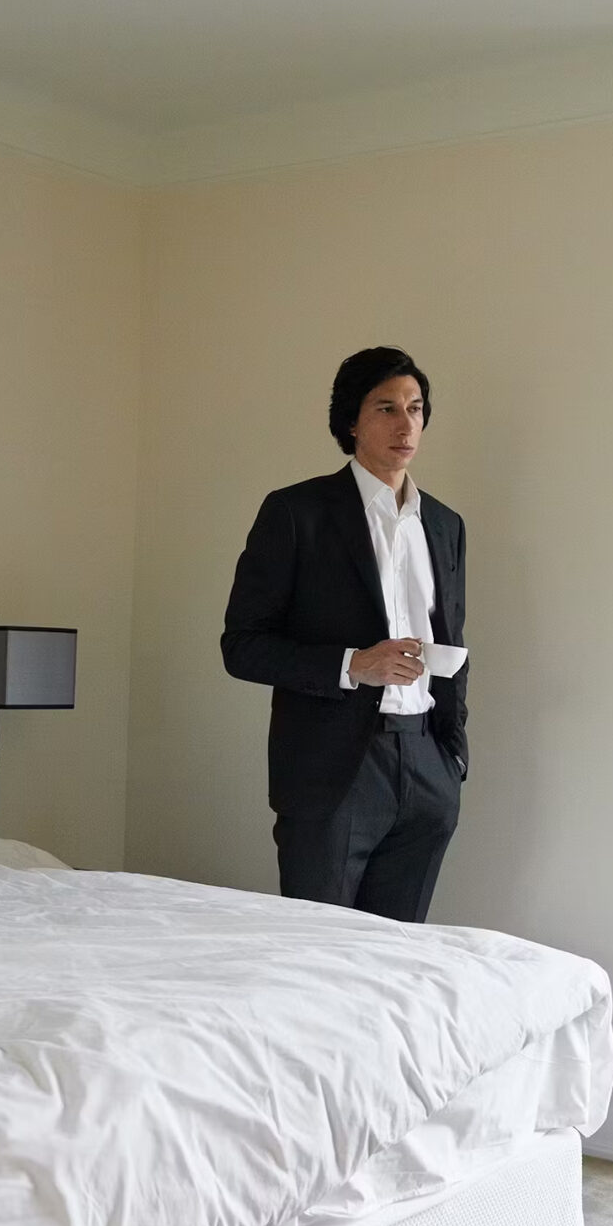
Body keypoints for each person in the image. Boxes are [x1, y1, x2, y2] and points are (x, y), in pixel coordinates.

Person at [222, 346, 467, 922]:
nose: (405, 424)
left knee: (399, 954)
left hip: (426, 762)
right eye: (386, 408)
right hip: (333, 771)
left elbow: (454, 636)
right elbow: (242, 646)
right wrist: (353, 664)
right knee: (322, 951)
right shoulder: (296, 512)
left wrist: (452, 756)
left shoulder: (445, 525)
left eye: (415, 408)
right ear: (351, 421)